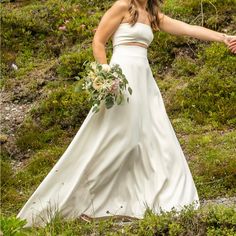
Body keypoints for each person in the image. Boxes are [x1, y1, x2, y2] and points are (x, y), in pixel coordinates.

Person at [17, 0, 236, 228]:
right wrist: (106, 77)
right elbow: (99, 42)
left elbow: (188, 29)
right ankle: (81, 200)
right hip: (121, 78)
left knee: (154, 136)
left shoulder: (152, 13)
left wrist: (223, 37)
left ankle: (144, 196)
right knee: (119, 139)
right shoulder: (122, 6)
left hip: (144, 81)